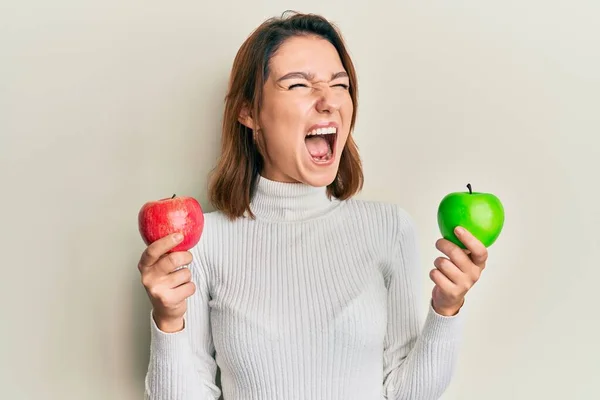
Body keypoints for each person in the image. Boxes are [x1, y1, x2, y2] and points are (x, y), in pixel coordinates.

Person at [138, 11, 490, 400]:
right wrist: (168, 321)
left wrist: (447, 307)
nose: (328, 102)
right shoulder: (205, 242)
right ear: (249, 112)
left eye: (340, 85)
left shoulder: (389, 228)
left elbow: (406, 394)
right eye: (299, 85)